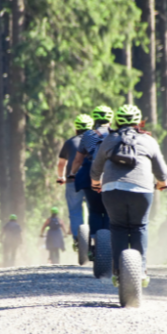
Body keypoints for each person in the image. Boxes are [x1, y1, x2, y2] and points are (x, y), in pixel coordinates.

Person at [90, 104, 167, 287]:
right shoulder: (148, 140)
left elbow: (96, 167)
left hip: (112, 191)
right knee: (139, 226)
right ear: (139, 122)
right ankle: (140, 271)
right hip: (141, 191)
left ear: (117, 121)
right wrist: (162, 183)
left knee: (117, 227)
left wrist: (95, 182)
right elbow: (161, 171)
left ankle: (118, 271)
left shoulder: (109, 139)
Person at [69, 105, 114, 248]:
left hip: (91, 177)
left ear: (95, 118)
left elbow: (78, 160)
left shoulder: (88, 135)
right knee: (109, 210)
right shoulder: (116, 134)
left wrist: (72, 174)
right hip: (112, 176)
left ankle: (95, 242)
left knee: (94, 210)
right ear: (111, 119)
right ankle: (109, 242)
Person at [56, 114, 94, 248]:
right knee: (94, 209)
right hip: (92, 181)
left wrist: (61, 177)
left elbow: (61, 164)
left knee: (75, 211)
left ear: (76, 128)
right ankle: (95, 237)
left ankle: (79, 240)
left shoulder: (70, 142)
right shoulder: (96, 140)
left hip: (73, 181)